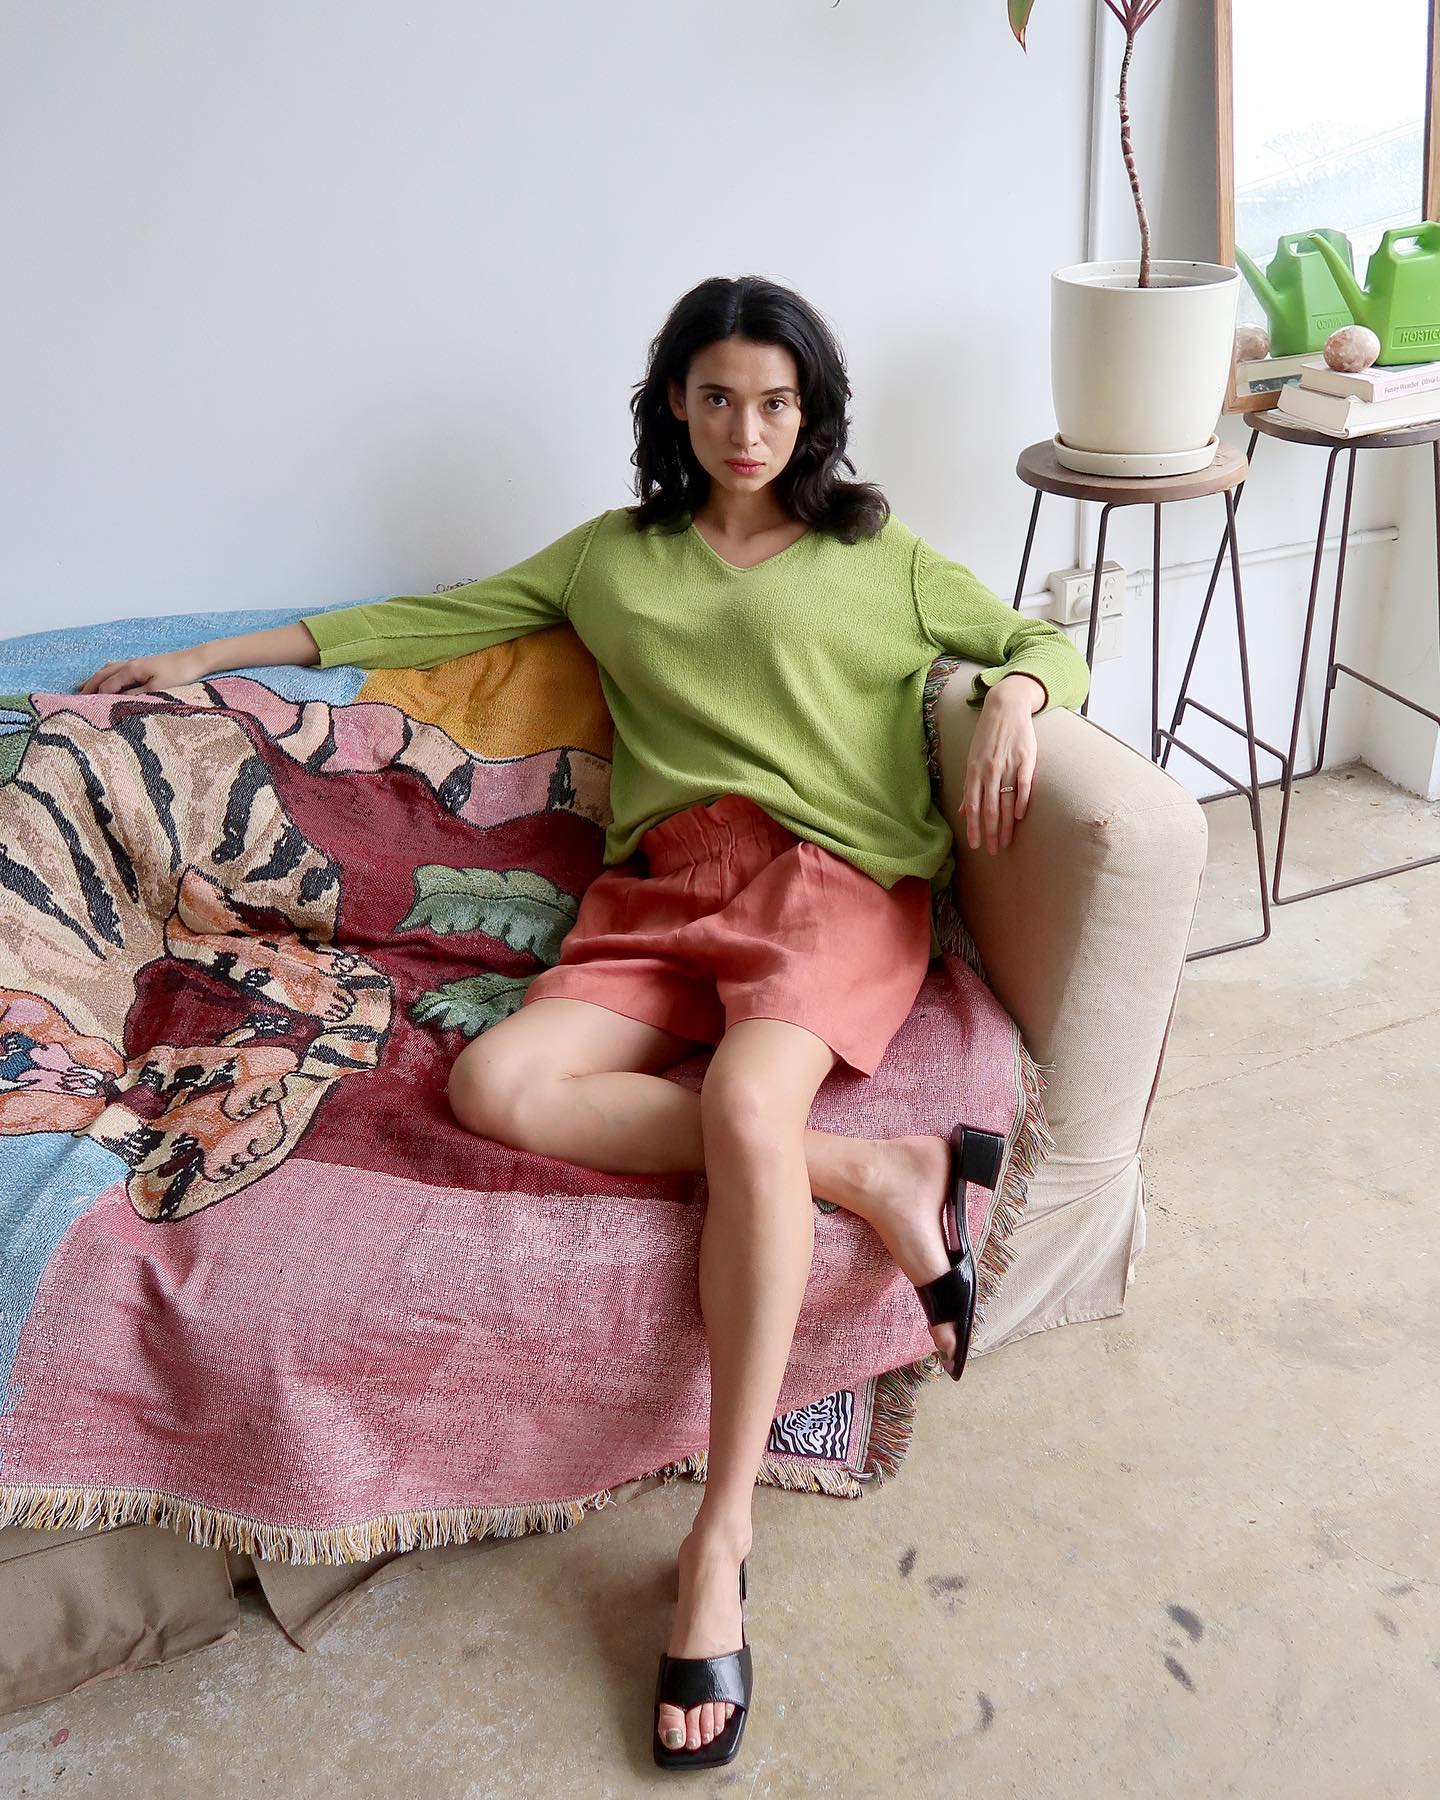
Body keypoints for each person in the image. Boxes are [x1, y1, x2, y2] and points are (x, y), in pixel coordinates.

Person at [79, 274, 1091, 1768]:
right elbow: (432, 616)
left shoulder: (877, 556)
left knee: (748, 1105)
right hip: (661, 894)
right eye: (718, 398)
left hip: (829, 884)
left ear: (811, 414)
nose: (747, 430)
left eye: (777, 403)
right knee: (498, 1085)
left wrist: (1013, 701)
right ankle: (881, 1172)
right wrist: (210, 660)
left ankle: (717, 1541)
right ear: (674, 404)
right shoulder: (614, 560)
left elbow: (1038, 644)